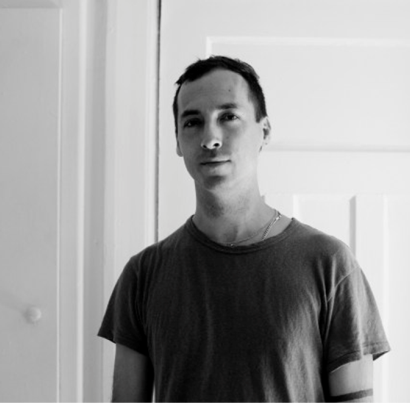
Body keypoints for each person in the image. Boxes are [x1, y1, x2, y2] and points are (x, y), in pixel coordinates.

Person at [98, 56, 390, 403]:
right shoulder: (143, 275)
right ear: (177, 140)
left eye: (228, 117)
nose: (210, 138)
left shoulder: (329, 264)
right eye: (192, 122)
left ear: (264, 131)